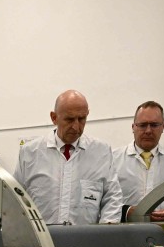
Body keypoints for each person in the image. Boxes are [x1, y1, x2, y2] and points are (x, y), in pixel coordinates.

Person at [14, 90, 123, 224]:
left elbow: (113, 198)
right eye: (69, 119)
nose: (76, 126)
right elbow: (15, 200)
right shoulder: (30, 153)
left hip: (86, 241)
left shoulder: (101, 152)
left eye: (82, 119)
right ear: (54, 118)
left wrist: (105, 232)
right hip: (42, 241)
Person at [112, 101, 164, 222]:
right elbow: (103, 201)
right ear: (133, 127)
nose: (148, 130)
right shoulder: (113, 159)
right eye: (142, 125)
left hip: (163, 233)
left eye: (154, 125)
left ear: (163, 127)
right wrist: (126, 211)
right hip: (123, 233)